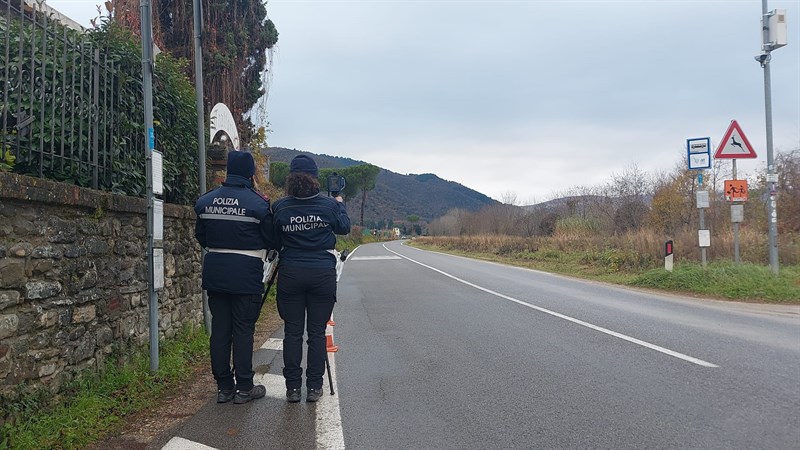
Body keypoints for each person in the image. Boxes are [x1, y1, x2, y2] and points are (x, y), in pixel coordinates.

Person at [194, 151, 274, 404]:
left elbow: (202, 237)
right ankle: (244, 388)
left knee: (220, 330)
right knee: (243, 331)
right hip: (246, 274)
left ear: (228, 171)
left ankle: (224, 387)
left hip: (215, 270)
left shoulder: (205, 201)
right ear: (251, 174)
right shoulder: (259, 204)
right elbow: (272, 239)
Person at [271, 155, 351, 403]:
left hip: (291, 272)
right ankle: (314, 387)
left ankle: (293, 388)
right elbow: (344, 227)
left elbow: (272, 239)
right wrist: (339, 203)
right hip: (321, 274)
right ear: (315, 178)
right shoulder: (328, 206)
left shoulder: (281, 207)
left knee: (292, 333)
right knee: (316, 333)